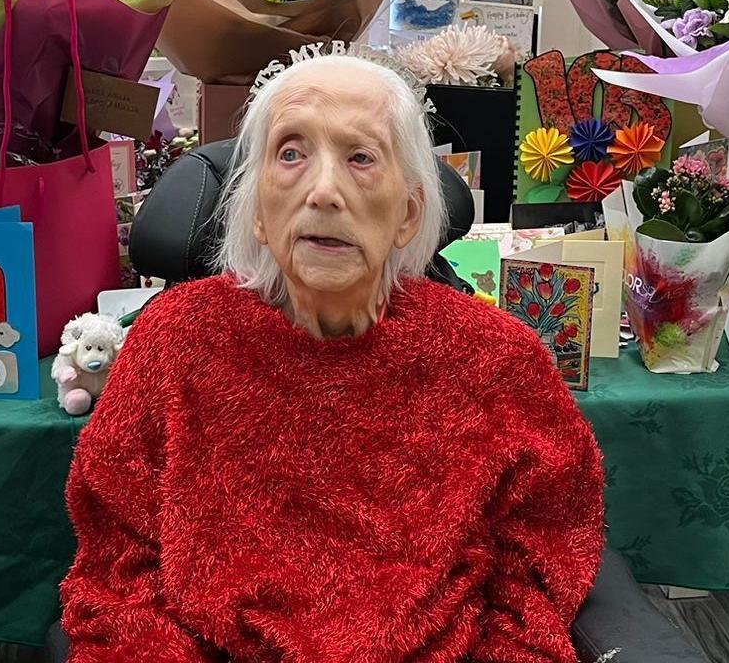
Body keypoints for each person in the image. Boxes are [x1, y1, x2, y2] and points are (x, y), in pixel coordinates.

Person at [60, 54, 605, 662]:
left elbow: (539, 560)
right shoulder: (176, 339)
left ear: (409, 213)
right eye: (291, 153)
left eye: (361, 157)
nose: (322, 191)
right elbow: (118, 568)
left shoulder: (495, 359)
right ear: (259, 211)